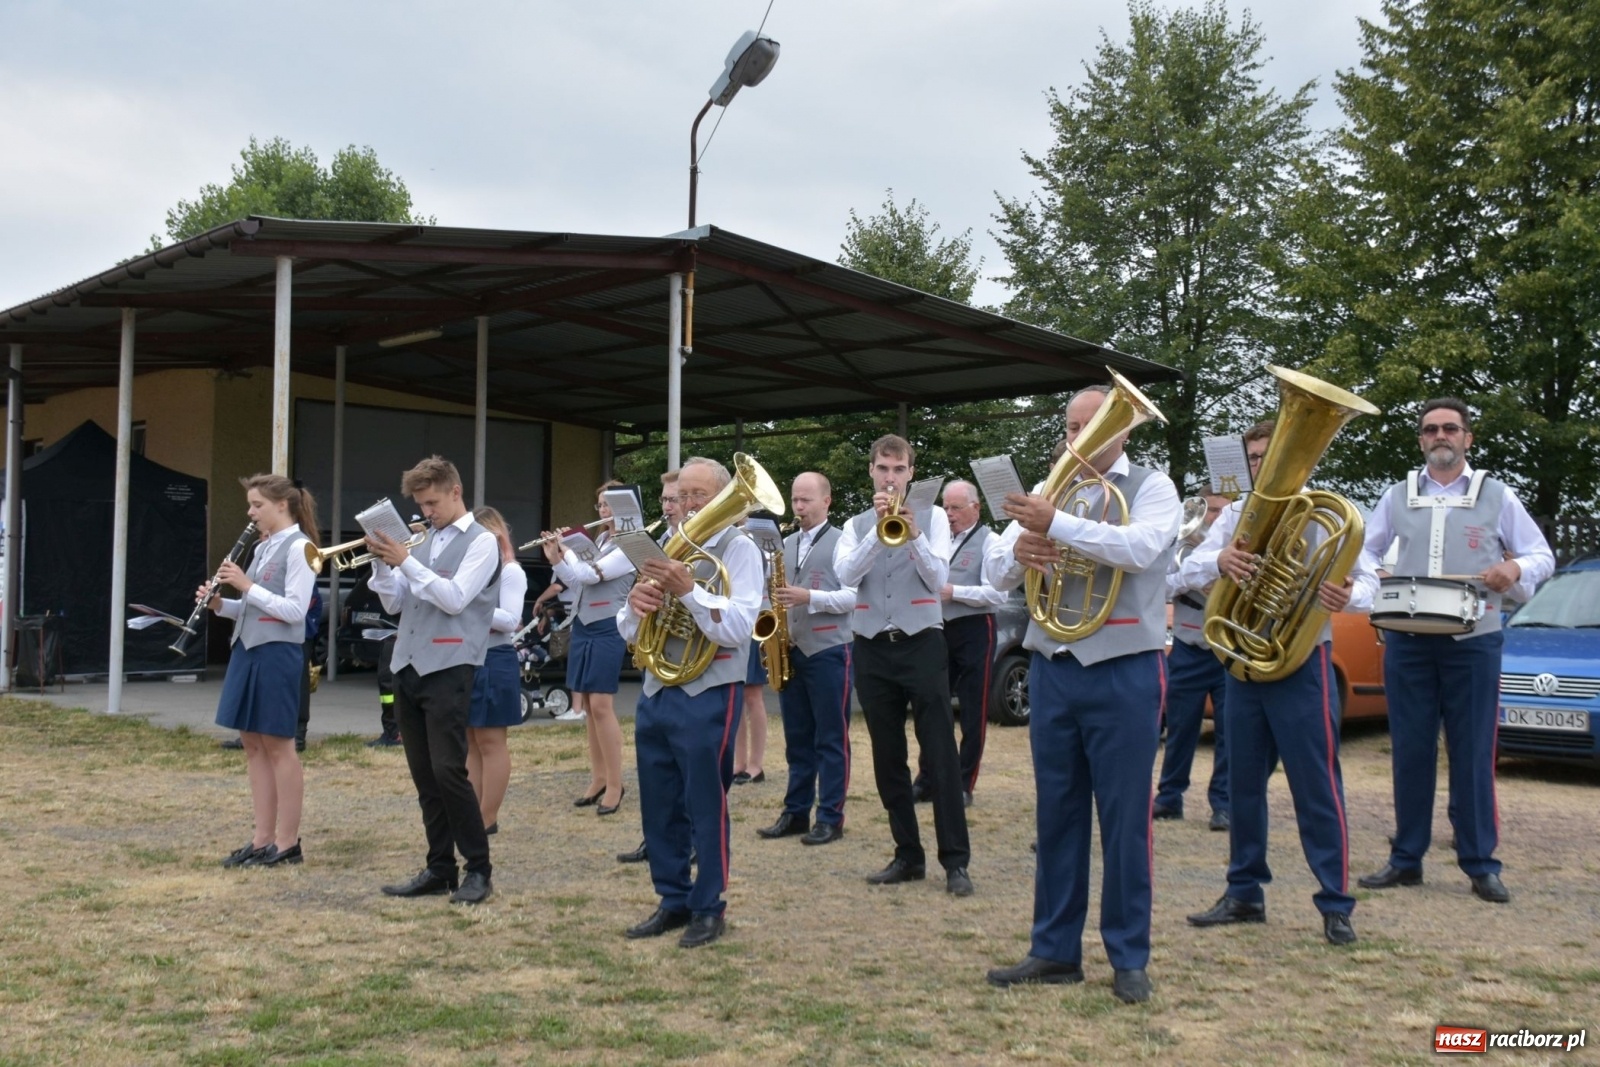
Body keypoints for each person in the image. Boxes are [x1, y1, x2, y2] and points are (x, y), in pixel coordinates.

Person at [982, 384, 1179, 1004]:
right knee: (1057, 814)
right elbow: (993, 574)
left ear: (1124, 430)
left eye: (1094, 426)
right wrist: (1021, 549)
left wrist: (1056, 523)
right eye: (1071, 427)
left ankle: (1128, 955)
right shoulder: (1049, 490)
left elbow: (1144, 550)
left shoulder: (1153, 487)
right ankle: (1054, 949)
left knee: (1125, 819)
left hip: (1124, 664)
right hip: (1054, 664)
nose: (1079, 438)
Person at [1182, 417, 1379, 947]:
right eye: (1254, 459)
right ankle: (1244, 892)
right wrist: (1219, 559)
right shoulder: (1239, 514)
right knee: (1243, 784)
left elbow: (1370, 579)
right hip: (1244, 658)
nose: (1263, 465)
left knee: (1316, 785)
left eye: (1272, 454)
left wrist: (1350, 596)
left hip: (1301, 661)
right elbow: (1185, 569)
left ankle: (1335, 904)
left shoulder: (1325, 512)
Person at [1356, 397, 1553, 904]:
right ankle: (1406, 859)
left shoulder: (1498, 495)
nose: (1440, 436)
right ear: (1420, 439)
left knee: (1471, 753)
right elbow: (1364, 549)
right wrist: (1371, 572)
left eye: (1450, 428)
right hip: (1408, 641)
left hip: (1474, 642)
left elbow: (1540, 555)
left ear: (1467, 437)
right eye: (1430, 430)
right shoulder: (1396, 494)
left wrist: (1515, 570)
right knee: (1411, 752)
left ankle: (1480, 863)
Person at [618, 456, 762, 948]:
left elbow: (742, 626)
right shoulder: (662, 547)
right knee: (658, 803)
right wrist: (636, 607)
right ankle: (672, 898)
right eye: (682, 496)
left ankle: (709, 906)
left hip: (709, 690)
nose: (687, 505)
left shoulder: (739, 550)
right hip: (659, 687)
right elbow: (629, 628)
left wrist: (691, 592)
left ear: (723, 498)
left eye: (698, 495)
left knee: (704, 802)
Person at [836, 434, 973, 896]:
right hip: (872, 644)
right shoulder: (855, 525)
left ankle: (955, 861)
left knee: (940, 752)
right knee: (886, 754)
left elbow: (938, 578)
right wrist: (878, 533)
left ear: (911, 474)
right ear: (871, 472)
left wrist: (911, 533)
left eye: (899, 470)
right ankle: (907, 854)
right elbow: (846, 576)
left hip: (922, 641)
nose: (890, 477)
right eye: (883, 469)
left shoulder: (934, 520)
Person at [369, 456, 500, 905]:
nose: (427, 511)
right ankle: (439, 866)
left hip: (450, 665)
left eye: (432, 502)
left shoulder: (482, 543)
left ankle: (478, 868)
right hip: (408, 664)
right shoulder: (423, 540)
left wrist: (406, 560)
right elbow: (394, 605)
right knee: (425, 775)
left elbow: (454, 598)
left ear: (455, 492)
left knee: (449, 771)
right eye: (422, 504)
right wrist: (384, 566)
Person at [210, 473, 318, 869]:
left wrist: (246, 585)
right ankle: (261, 838)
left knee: (278, 746)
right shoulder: (261, 548)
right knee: (252, 744)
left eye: (257, 504)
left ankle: (287, 842)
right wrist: (221, 605)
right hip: (248, 649)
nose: (250, 511)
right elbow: (254, 608)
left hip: (277, 655)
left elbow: (294, 610)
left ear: (281, 506)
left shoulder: (301, 547)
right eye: (251, 504)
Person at [758, 472, 856, 846]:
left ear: (827, 501)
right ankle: (796, 812)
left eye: (806, 501)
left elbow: (853, 598)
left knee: (830, 739)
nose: (798, 507)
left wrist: (809, 598)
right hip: (791, 648)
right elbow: (774, 591)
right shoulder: (785, 542)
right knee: (797, 739)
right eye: (795, 500)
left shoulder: (844, 541)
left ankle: (830, 817)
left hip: (830, 648)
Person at [540, 482, 633, 816]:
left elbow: (593, 576)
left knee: (602, 706)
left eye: (609, 504)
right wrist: (557, 558)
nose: (603, 510)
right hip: (584, 624)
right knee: (591, 709)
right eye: (599, 505)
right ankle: (598, 778)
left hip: (608, 625)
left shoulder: (629, 543)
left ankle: (616, 783)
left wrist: (569, 551)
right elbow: (577, 581)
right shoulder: (602, 540)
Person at [913, 479, 1006, 807]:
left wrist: (956, 592)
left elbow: (999, 593)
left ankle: (964, 782)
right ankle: (927, 778)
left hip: (975, 629)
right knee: (931, 707)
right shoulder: (937, 538)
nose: (949, 515)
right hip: (937, 629)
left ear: (975, 508)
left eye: (956, 508)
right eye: (946, 508)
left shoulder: (990, 541)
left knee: (972, 709)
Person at [1156, 488, 1235, 829]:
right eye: (1212, 510)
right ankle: (1170, 797)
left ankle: (1224, 804)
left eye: (1223, 511)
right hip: (1189, 645)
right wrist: (1198, 574)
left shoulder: (1239, 547)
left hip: (1228, 649)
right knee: (1180, 727)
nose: (1216, 517)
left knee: (1229, 732)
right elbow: (1162, 587)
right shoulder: (1182, 547)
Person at [618, 471, 682, 866]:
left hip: (690, 664)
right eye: (665, 499)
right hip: (657, 666)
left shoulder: (704, 544)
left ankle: (682, 839)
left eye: (676, 498)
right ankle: (655, 838)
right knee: (656, 769)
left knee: (684, 768)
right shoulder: (658, 544)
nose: (669, 505)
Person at [466, 507, 527, 836]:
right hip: (469, 657)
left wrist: (467, 603)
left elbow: (510, 620)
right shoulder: (474, 572)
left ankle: (488, 817)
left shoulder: (510, 571)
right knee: (470, 741)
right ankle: (473, 811)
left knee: (490, 742)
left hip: (496, 657)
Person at [732, 511, 777, 787]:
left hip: (755, 621)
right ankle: (739, 761)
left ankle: (756, 764)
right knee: (735, 695)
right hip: (734, 621)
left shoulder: (759, 543)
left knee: (752, 695)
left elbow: (768, 574)